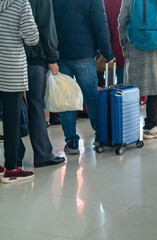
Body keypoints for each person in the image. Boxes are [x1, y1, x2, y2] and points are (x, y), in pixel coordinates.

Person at [52, 0, 115, 154]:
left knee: (65, 99)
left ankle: (72, 141)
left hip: (60, 54)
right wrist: (108, 54)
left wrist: (50, 55)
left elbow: (49, 23)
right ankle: (100, 135)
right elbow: (100, 25)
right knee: (91, 95)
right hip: (84, 54)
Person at [19, 0, 66, 168]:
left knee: (13, 105)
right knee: (36, 104)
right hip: (34, 56)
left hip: (10, 56)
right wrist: (52, 58)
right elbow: (46, 27)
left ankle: (16, 154)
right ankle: (43, 154)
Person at [118, 0, 157, 138]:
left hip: (136, 46)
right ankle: (151, 126)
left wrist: (125, 45)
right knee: (156, 86)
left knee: (133, 88)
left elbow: (122, 22)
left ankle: (128, 127)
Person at [0, 0, 39, 183]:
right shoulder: (21, 3)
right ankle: (11, 169)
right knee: (11, 121)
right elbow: (32, 38)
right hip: (11, 70)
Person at [103, 0, 126, 84]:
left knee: (116, 87)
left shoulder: (106, 2)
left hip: (114, 49)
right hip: (132, 47)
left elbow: (105, 29)